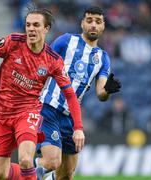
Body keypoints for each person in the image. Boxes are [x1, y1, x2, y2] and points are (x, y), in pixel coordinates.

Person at [0, 7, 84, 180]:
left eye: (36, 25)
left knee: (26, 160)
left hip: (28, 113)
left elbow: (70, 94)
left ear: (46, 29)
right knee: (0, 174)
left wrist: (78, 128)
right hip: (2, 116)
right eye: (28, 25)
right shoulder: (12, 42)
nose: (31, 29)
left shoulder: (53, 60)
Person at [35, 6, 122, 180]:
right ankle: (22, 172)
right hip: (48, 107)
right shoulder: (65, 41)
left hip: (71, 117)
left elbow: (100, 94)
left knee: (66, 175)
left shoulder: (103, 58)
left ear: (103, 26)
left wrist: (108, 91)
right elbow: (42, 67)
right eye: (89, 21)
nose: (93, 25)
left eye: (98, 22)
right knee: (52, 162)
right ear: (82, 23)